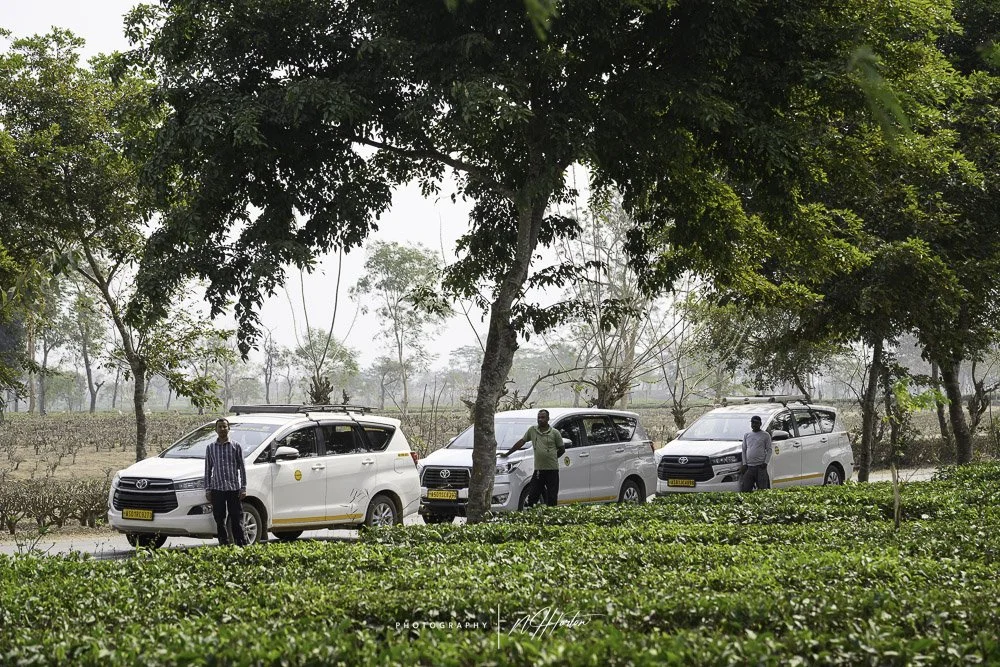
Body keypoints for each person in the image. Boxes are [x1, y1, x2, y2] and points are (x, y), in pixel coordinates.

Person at [500, 409, 564, 507]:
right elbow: (521, 442)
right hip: (539, 470)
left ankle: (551, 518)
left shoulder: (555, 433)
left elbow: (562, 449)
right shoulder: (532, 430)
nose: (540, 419)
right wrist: (507, 453)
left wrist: (552, 457)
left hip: (552, 470)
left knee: (552, 496)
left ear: (548, 419)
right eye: (538, 417)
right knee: (533, 495)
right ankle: (532, 516)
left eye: (543, 417)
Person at [204, 418, 248, 545]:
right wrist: (208, 489)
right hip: (217, 489)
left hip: (233, 489)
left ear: (229, 428)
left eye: (225, 426)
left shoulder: (236, 446)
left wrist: (243, 487)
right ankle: (224, 544)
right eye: (220, 427)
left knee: (236, 518)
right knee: (219, 519)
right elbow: (208, 470)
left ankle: (241, 544)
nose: (222, 429)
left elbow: (242, 469)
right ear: (216, 430)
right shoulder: (210, 448)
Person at [739, 415, 772, 492]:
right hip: (749, 467)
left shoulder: (765, 435)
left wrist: (765, 463)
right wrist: (744, 463)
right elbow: (744, 449)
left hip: (760, 466)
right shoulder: (747, 435)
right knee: (745, 489)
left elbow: (769, 450)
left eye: (756, 423)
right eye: (753, 423)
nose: (754, 425)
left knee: (763, 490)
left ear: (760, 424)